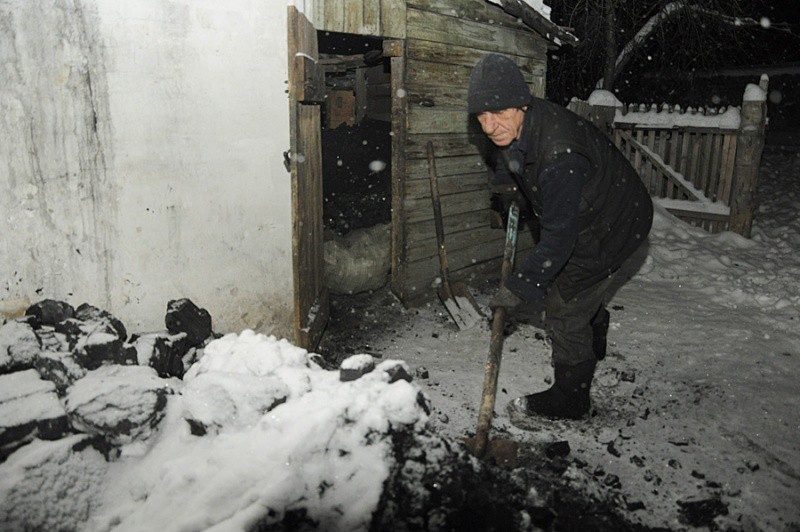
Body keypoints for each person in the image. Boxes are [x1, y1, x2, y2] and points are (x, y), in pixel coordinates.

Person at [467, 53, 653, 424]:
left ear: (522, 103)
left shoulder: (558, 154)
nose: (490, 126)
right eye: (482, 116)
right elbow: (520, 161)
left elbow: (559, 239)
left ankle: (571, 399)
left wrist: (518, 287)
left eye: (499, 113)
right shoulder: (528, 123)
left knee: (564, 306)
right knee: (578, 293)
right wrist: (515, 191)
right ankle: (594, 326)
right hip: (604, 207)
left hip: (612, 226)